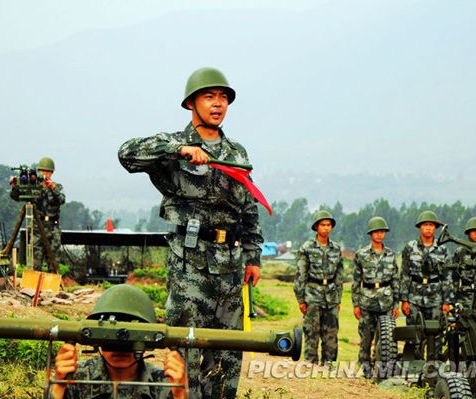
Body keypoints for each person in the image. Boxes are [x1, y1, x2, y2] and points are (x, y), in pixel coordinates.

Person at [118, 67, 263, 398]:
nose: (217, 104)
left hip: (230, 266)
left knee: (227, 354)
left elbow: (249, 207)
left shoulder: (236, 153)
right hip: (189, 264)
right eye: (209, 97)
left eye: (223, 98)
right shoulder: (172, 146)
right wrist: (177, 150)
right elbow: (126, 153)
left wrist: (253, 256)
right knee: (185, 349)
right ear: (190, 104)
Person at [51, 284, 187, 399]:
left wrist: (180, 393)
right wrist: (59, 385)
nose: (120, 346)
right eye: (110, 335)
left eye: (132, 336)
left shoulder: (165, 384)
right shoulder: (76, 378)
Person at [293, 210, 343, 366]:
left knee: (331, 333)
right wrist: (301, 299)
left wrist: (338, 299)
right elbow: (300, 275)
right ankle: (310, 364)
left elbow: (339, 276)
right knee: (311, 332)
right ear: (316, 227)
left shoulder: (336, 248)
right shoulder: (306, 248)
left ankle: (329, 365)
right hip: (312, 295)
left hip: (332, 296)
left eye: (329, 225)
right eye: (323, 225)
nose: (326, 228)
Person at [351, 216, 399, 377]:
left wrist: (396, 304)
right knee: (366, 338)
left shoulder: (391, 254)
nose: (379, 235)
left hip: (386, 301)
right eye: (376, 232)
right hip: (367, 301)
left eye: (382, 231)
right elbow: (356, 281)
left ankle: (382, 371)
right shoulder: (361, 254)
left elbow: (395, 280)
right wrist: (356, 304)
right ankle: (364, 370)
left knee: (386, 339)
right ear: (370, 234)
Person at [9, 156, 65, 270]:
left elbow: (62, 200)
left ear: (51, 173)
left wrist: (52, 187)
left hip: (53, 227)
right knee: (35, 260)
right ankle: (35, 285)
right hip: (37, 228)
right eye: (42, 171)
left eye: (47, 172)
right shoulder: (34, 187)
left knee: (54, 260)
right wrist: (15, 186)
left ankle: (52, 284)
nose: (45, 174)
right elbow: (16, 197)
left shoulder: (57, 187)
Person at [399, 210, 452, 325]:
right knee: (413, 337)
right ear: (420, 227)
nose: (428, 228)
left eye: (431, 225)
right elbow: (405, 274)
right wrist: (404, 300)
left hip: (436, 299)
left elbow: (447, 277)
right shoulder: (410, 247)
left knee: (436, 337)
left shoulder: (442, 249)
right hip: (414, 299)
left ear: (435, 228)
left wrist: (447, 302)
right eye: (425, 225)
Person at [451, 217, 476, 309]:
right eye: (474, 231)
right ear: (468, 233)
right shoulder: (460, 252)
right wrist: (452, 299)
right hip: (464, 296)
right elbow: (454, 276)